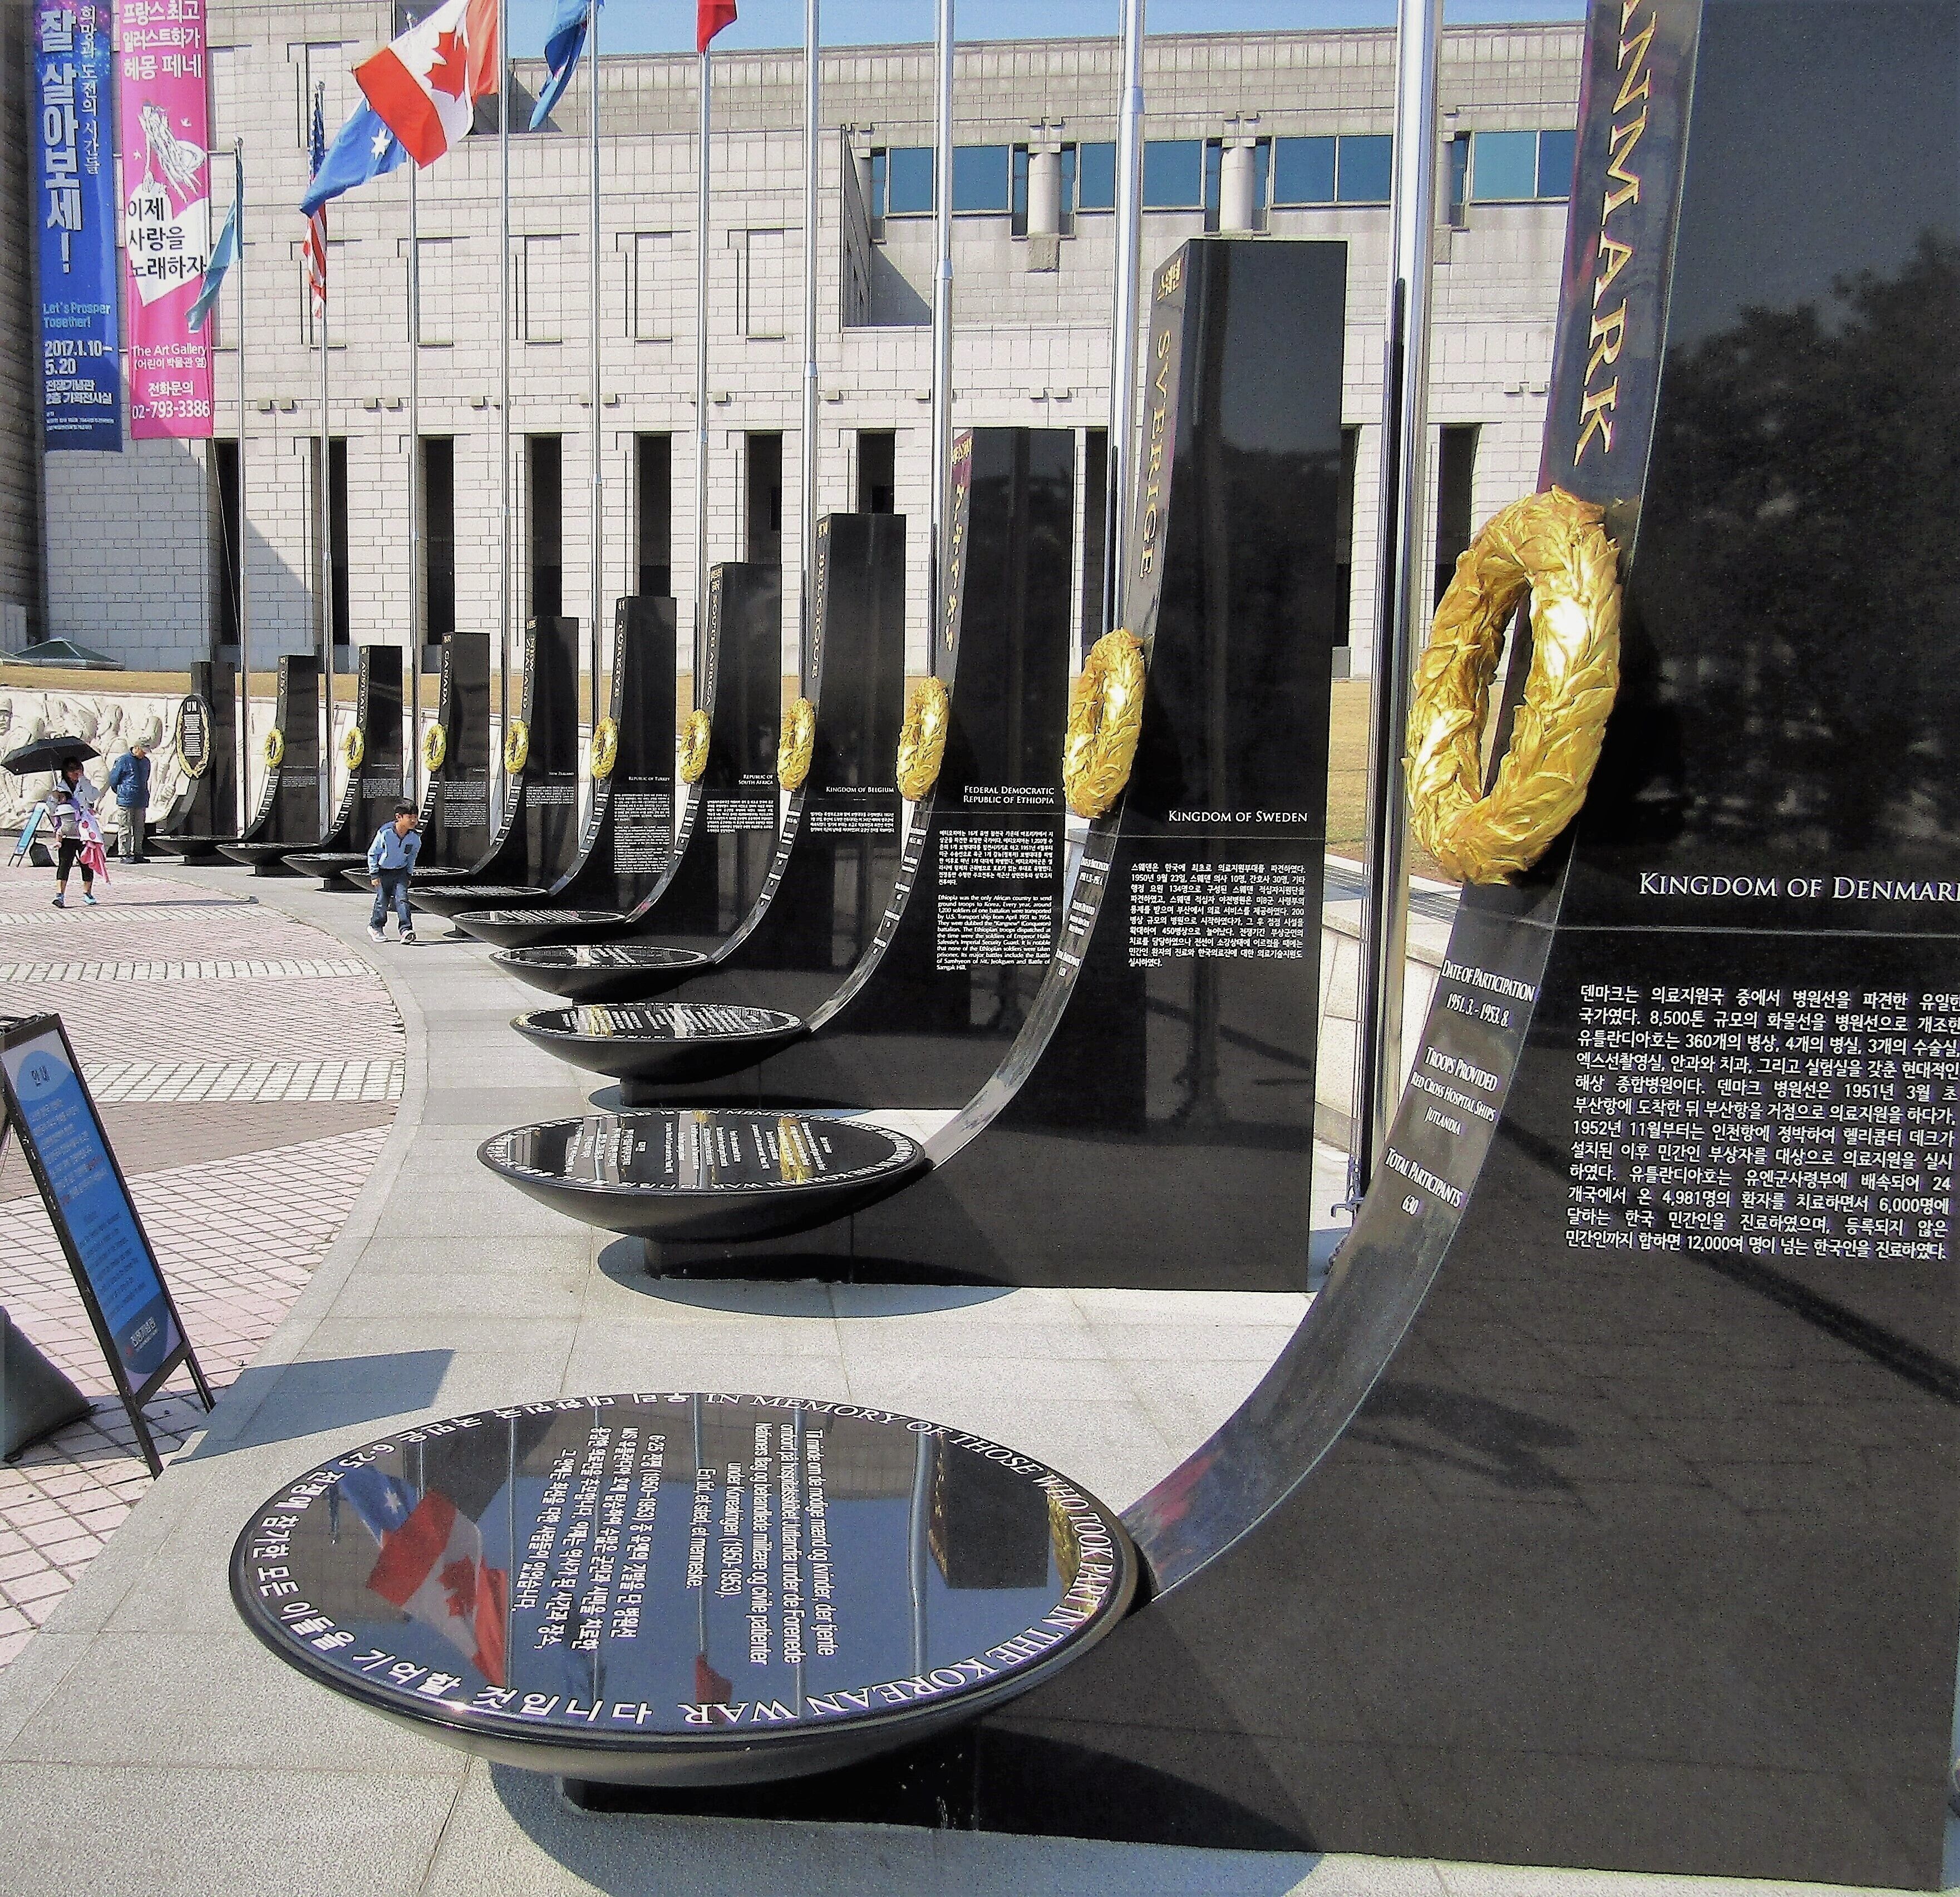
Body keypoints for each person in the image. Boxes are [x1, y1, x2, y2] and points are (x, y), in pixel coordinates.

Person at [42, 757, 100, 908]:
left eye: (79, 769)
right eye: (72, 770)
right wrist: (55, 798)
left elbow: (94, 796)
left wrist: (85, 782)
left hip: (84, 832)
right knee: (65, 864)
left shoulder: (84, 784)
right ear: (66, 772)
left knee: (86, 863)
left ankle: (87, 893)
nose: (76, 772)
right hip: (67, 832)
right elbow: (50, 810)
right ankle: (60, 896)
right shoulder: (60, 788)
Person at [366, 801, 421, 944]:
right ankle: (376, 926)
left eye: (416, 817)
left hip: (401, 872)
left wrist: (409, 874)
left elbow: (411, 858)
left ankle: (406, 930)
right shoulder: (385, 832)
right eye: (410, 817)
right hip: (383, 872)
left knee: (402, 900)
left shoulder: (414, 838)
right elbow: (373, 853)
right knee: (382, 901)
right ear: (399, 817)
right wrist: (374, 874)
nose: (414, 821)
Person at [105, 739, 151, 863]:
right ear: (136, 748)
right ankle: (124, 854)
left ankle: (138, 853)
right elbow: (113, 779)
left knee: (139, 828)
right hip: (126, 799)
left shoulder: (146, 762)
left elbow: (146, 779)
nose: (144, 754)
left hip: (141, 799)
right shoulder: (123, 760)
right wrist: (122, 791)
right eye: (143, 751)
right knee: (125, 827)